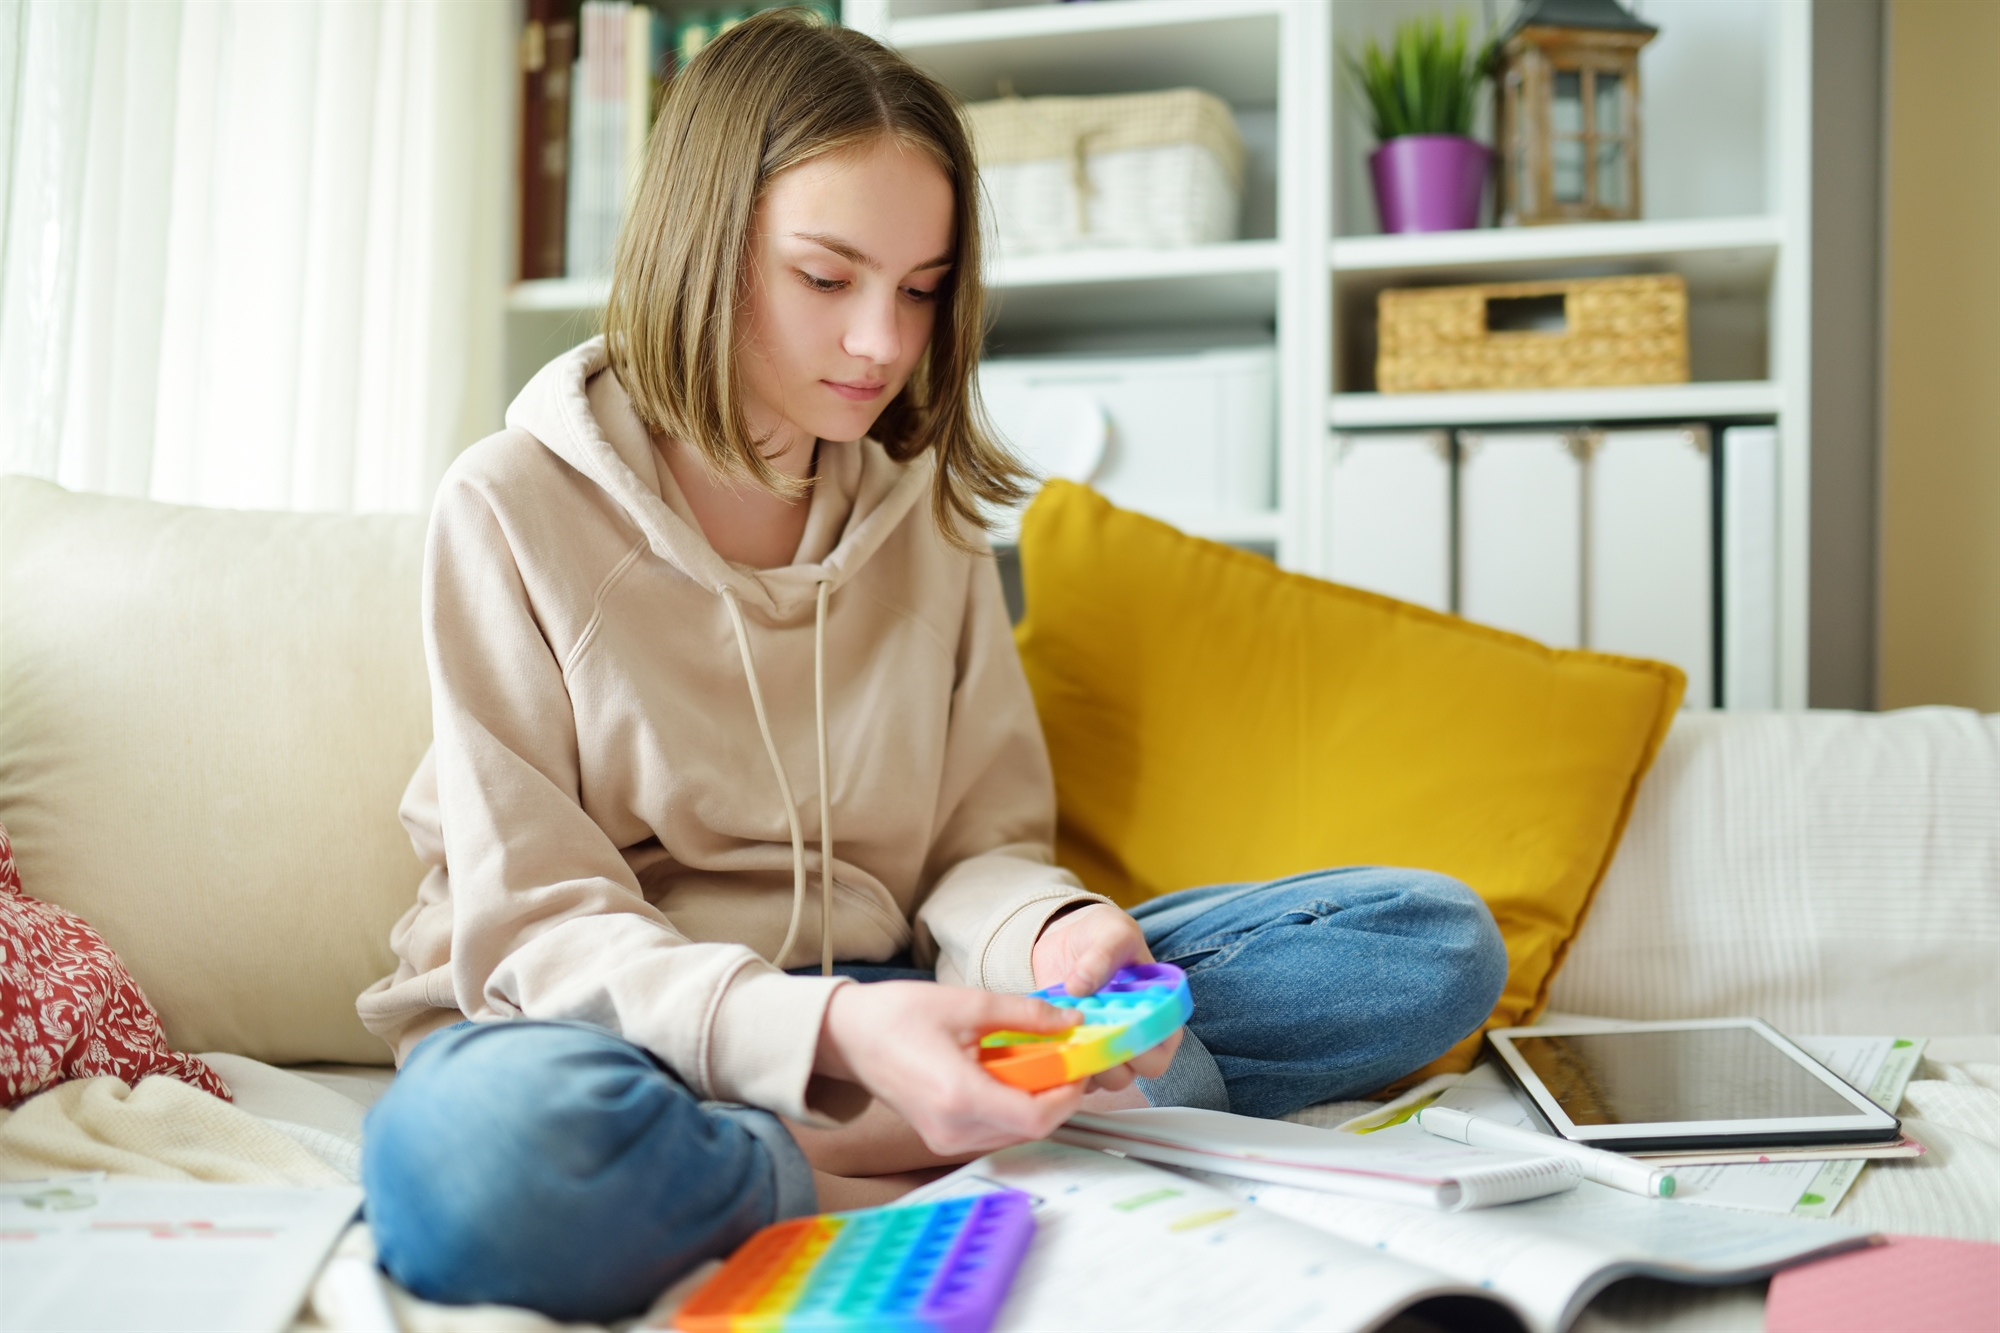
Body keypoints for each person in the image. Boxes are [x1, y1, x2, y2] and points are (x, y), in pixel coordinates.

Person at [357, 9, 1507, 1324]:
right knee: (480, 1166)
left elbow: (977, 842)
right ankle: (894, 1138)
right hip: (622, 1033)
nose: (882, 345)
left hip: (902, 992)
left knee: (1424, 942)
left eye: (920, 287)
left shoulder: (926, 516)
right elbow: (539, 923)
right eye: (826, 276)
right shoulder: (508, 505)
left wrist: (1050, 934)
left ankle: (938, 1113)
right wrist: (829, 1044)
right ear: (704, 241)